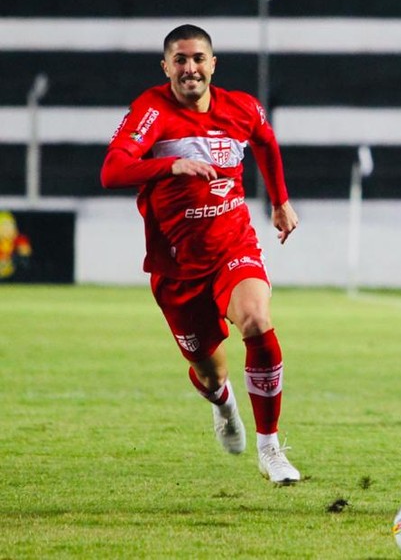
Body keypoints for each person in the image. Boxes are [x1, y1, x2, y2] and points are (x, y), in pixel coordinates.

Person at [100, 24, 301, 485]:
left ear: (213, 64)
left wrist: (279, 200)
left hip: (233, 245)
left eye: (198, 59)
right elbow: (112, 170)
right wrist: (170, 164)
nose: (190, 68)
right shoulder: (152, 111)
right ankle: (223, 402)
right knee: (210, 374)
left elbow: (267, 144)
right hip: (176, 266)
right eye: (180, 60)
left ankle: (271, 448)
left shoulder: (242, 107)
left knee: (256, 320)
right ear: (166, 66)